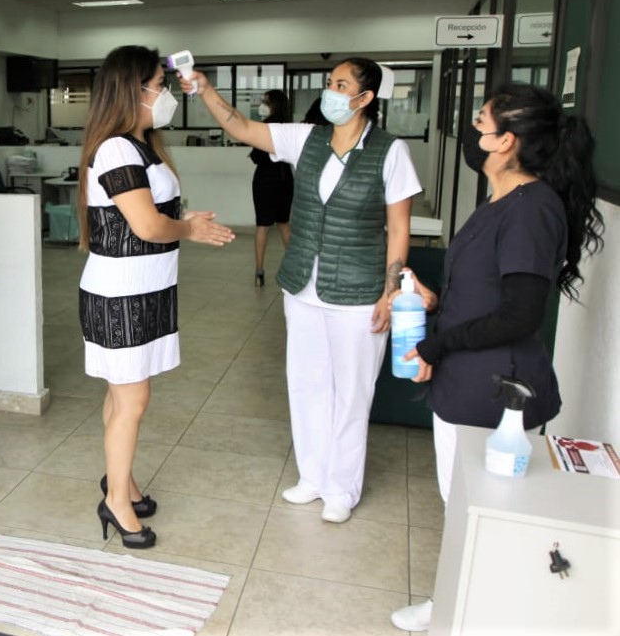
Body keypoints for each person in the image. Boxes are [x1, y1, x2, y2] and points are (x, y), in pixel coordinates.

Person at [389, 82, 604, 632]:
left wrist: (437, 343)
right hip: (467, 380)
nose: (472, 131)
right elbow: (488, 290)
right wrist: (435, 302)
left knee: (477, 511)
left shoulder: (531, 210)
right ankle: (459, 605)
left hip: (494, 391)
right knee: (461, 503)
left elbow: (519, 315)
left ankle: (460, 611)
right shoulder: (501, 199)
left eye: (481, 122)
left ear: (506, 141)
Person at [181, 58, 421, 523]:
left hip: (358, 289)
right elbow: (242, 127)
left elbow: (398, 228)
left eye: (341, 85)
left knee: (351, 392)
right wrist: (206, 90)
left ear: (365, 98)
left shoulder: (391, 152)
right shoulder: (306, 139)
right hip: (303, 286)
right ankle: (312, 477)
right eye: (330, 83)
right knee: (307, 383)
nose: (331, 91)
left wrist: (390, 291)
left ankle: (342, 488)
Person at [77, 45, 235, 549]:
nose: (164, 94)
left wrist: (187, 224)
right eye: (157, 85)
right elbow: (145, 224)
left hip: (146, 288)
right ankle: (116, 503)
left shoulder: (141, 144)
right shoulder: (116, 149)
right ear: (133, 90)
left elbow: (155, 213)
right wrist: (188, 230)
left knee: (121, 393)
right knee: (132, 398)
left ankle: (120, 481)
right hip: (119, 292)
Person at [249, 89, 293, 287]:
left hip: (265, 180)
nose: (263, 105)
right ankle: (295, 268)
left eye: (266, 101)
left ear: (274, 104)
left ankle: (259, 271)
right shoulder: (290, 127)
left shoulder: (265, 127)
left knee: (262, 226)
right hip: (285, 179)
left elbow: (258, 156)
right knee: (283, 224)